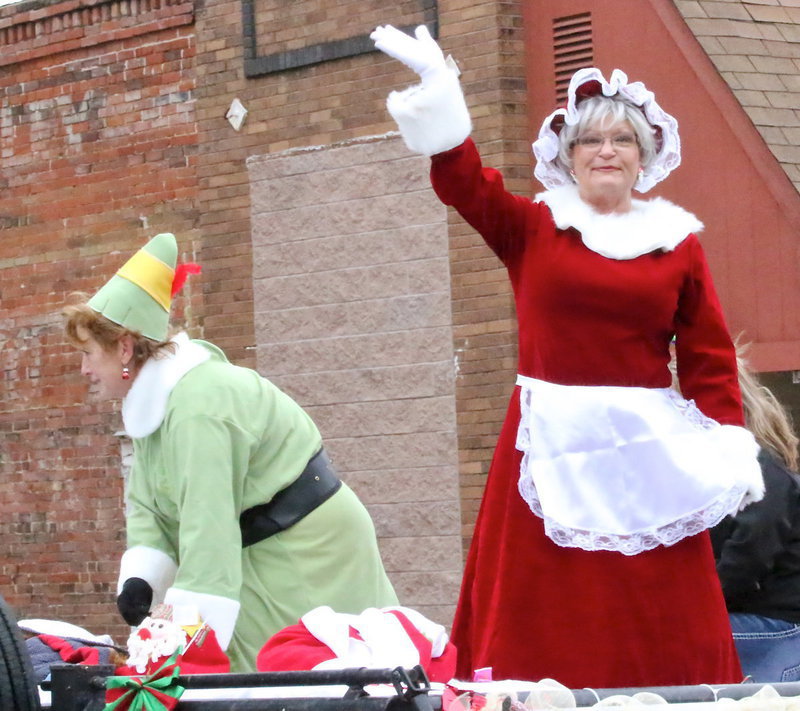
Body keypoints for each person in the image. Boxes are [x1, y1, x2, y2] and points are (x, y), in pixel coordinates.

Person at [370, 25, 764, 687]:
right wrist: (440, 90)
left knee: (659, 615)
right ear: (568, 153)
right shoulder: (532, 226)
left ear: (645, 155)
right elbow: (464, 181)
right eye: (590, 138)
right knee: (543, 616)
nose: (606, 150)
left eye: (621, 140)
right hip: (545, 444)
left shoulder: (678, 244)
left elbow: (708, 358)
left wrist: (725, 442)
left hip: (648, 450)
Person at [63, 232, 398, 672]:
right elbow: (147, 504)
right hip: (250, 547)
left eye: (88, 353)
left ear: (124, 348)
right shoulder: (151, 405)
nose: (84, 368)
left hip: (306, 549)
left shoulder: (199, 408)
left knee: (304, 680)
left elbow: (208, 526)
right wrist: (142, 580)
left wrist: (179, 642)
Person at [711, 354, 800, 682]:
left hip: (778, 623)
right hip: (755, 616)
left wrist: (694, 606)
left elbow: (747, 559)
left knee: (668, 637)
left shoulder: (763, 474)